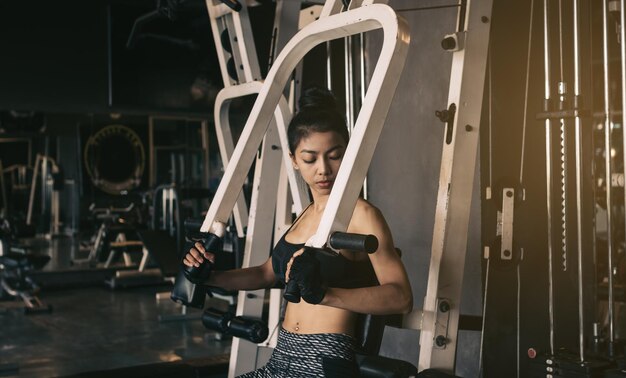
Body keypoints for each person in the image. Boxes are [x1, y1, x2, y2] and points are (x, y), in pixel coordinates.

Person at [183, 87, 413, 377]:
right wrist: (209, 277)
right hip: (282, 359)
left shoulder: (363, 215)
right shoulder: (304, 215)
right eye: (310, 159)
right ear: (293, 159)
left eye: (334, 156)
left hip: (324, 362)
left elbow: (401, 297)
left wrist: (324, 294)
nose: (323, 170)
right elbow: (267, 273)